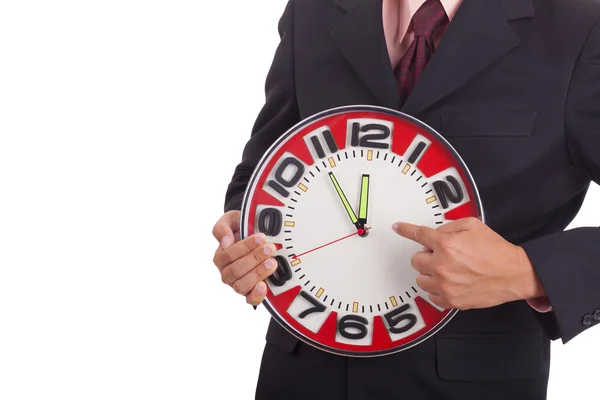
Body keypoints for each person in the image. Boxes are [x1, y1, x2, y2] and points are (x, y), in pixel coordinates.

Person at [212, 0, 600, 398]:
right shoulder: (312, 10)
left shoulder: (580, 27)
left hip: (472, 381)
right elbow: (266, 161)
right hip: (302, 374)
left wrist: (525, 271)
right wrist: (241, 232)